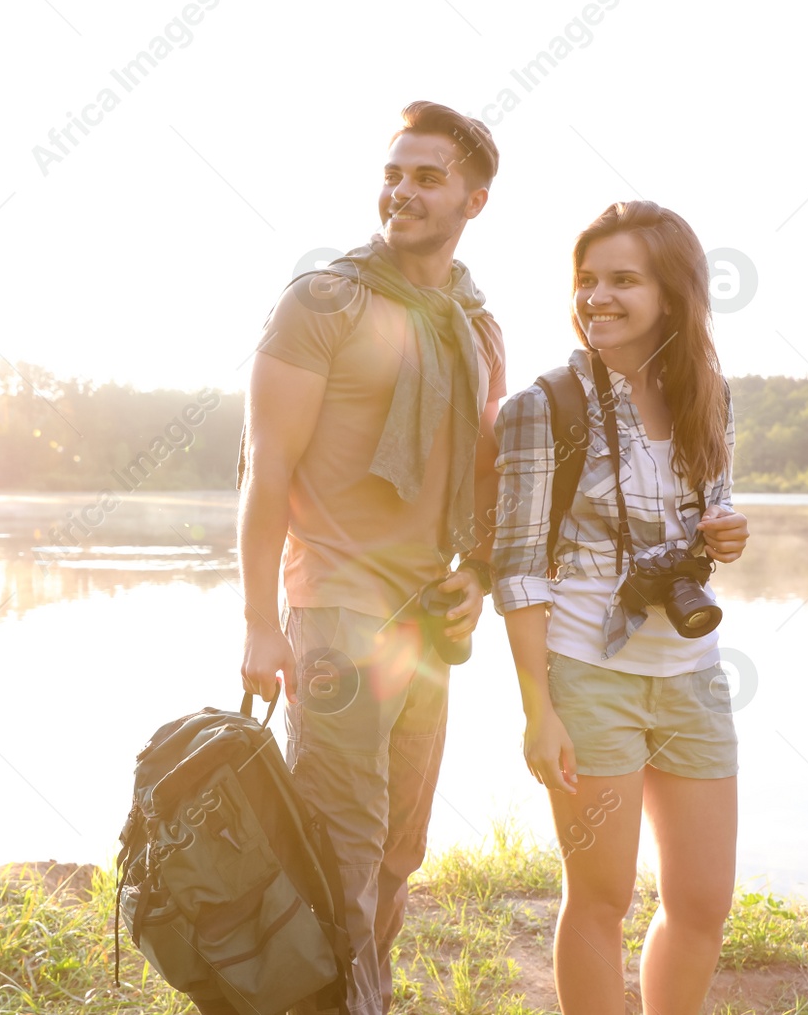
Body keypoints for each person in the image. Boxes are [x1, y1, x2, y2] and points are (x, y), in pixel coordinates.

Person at [236, 100, 507, 1015]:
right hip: (336, 617)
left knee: (397, 852)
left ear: (474, 198)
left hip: (425, 625)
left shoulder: (473, 323)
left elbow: (476, 479)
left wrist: (477, 574)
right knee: (340, 847)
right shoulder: (324, 300)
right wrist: (260, 625)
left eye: (427, 177)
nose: (402, 191)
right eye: (394, 173)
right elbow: (264, 468)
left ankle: (365, 997)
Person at [490, 200, 751, 1014]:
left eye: (622, 279)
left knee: (704, 901)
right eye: (587, 280)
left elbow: (709, 515)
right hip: (589, 674)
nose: (597, 295)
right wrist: (539, 711)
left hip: (692, 675)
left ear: (671, 293)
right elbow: (519, 567)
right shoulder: (545, 405)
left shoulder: (707, 393)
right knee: (600, 899)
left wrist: (726, 532)